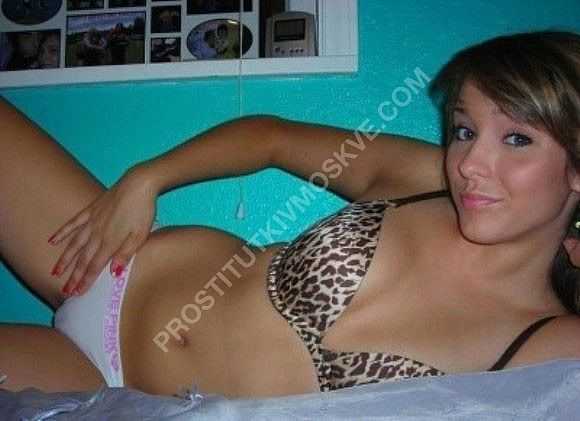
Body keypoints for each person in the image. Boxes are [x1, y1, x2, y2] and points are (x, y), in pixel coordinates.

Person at [2, 30, 580, 399]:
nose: (470, 163)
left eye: (517, 139)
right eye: (465, 130)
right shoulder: (428, 181)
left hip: (113, 393)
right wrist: (145, 180)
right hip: (114, 261)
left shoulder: (550, 344)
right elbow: (273, 138)